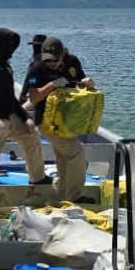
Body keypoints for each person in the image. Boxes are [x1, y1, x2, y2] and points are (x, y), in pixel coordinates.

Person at [0, 29, 49, 201]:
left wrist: (25, 117)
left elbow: (11, 98)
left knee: (31, 136)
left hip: (9, 117)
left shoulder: (5, 66)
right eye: (8, 45)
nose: (10, 49)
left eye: (13, 46)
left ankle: (38, 178)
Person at [23, 37, 96, 204]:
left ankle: (56, 200)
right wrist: (53, 85)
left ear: (63, 54)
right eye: (47, 60)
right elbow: (33, 97)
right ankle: (75, 197)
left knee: (64, 160)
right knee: (77, 152)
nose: (51, 64)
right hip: (47, 122)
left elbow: (79, 84)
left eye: (55, 60)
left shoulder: (72, 62)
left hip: (68, 121)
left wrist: (87, 83)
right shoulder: (37, 68)